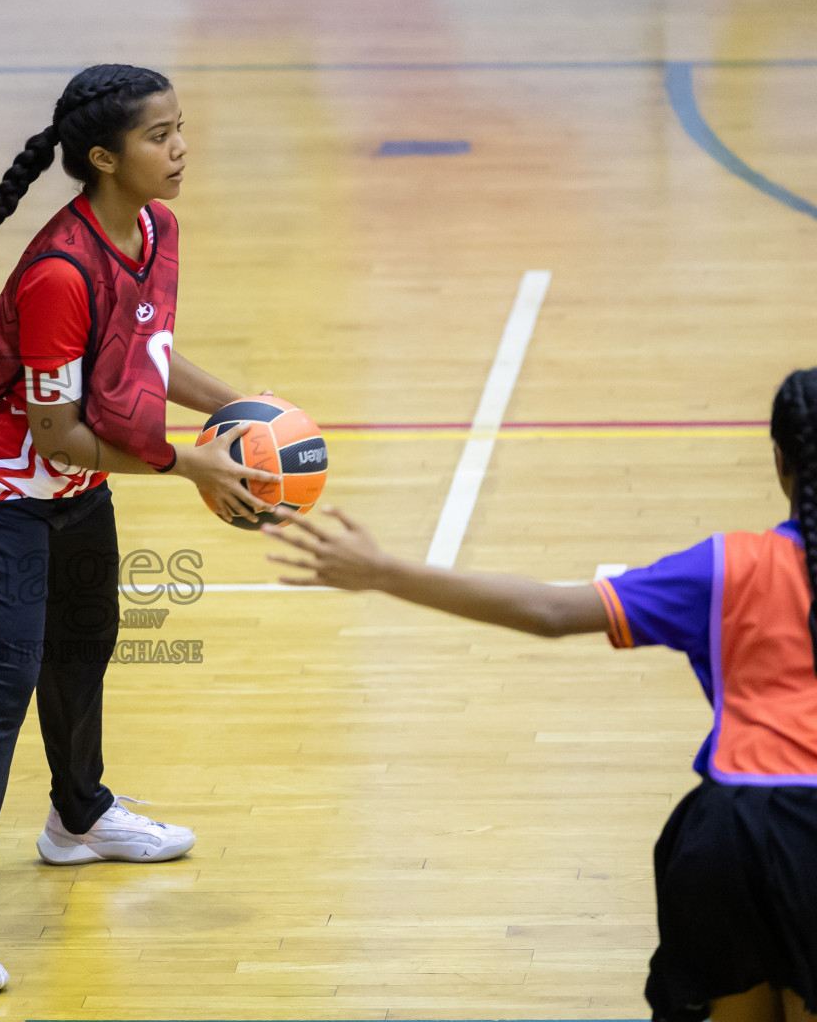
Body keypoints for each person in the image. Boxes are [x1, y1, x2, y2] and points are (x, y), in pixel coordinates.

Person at [263, 367, 817, 1022]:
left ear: (779, 459)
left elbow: (550, 611)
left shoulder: (729, 564)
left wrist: (384, 572)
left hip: (732, 837)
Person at [0, 64, 280, 996]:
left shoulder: (154, 229)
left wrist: (244, 405)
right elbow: (57, 429)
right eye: (159, 136)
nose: (180, 147)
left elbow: (142, 349)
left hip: (68, 481)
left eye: (181, 127)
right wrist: (191, 462)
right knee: (2, 682)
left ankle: (78, 819)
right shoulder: (59, 272)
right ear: (103, 158)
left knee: (83, 647)